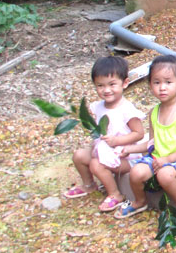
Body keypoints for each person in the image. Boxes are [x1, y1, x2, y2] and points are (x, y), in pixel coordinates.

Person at [115, 55, 176, 225]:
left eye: (168, 82)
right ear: (150, 85)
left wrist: (168, 160)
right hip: (157, 158)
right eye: (156, 82)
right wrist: (129, 149)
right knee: (137, 172)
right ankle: (140, 202)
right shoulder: (154, 112)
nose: (162, 88)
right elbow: (152, 143)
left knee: (165, 175)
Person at [62, 56, 145, 213]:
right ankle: (89, 185)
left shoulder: (126, 109)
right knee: (79, 155)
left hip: (125, 156)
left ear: (125, 83)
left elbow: (139, 134)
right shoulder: (98, 106)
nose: (106, 90)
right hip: (104, 150)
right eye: (100, 86)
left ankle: (115, 194)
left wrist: (117, 140)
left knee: (96, 164)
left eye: (112, 84)